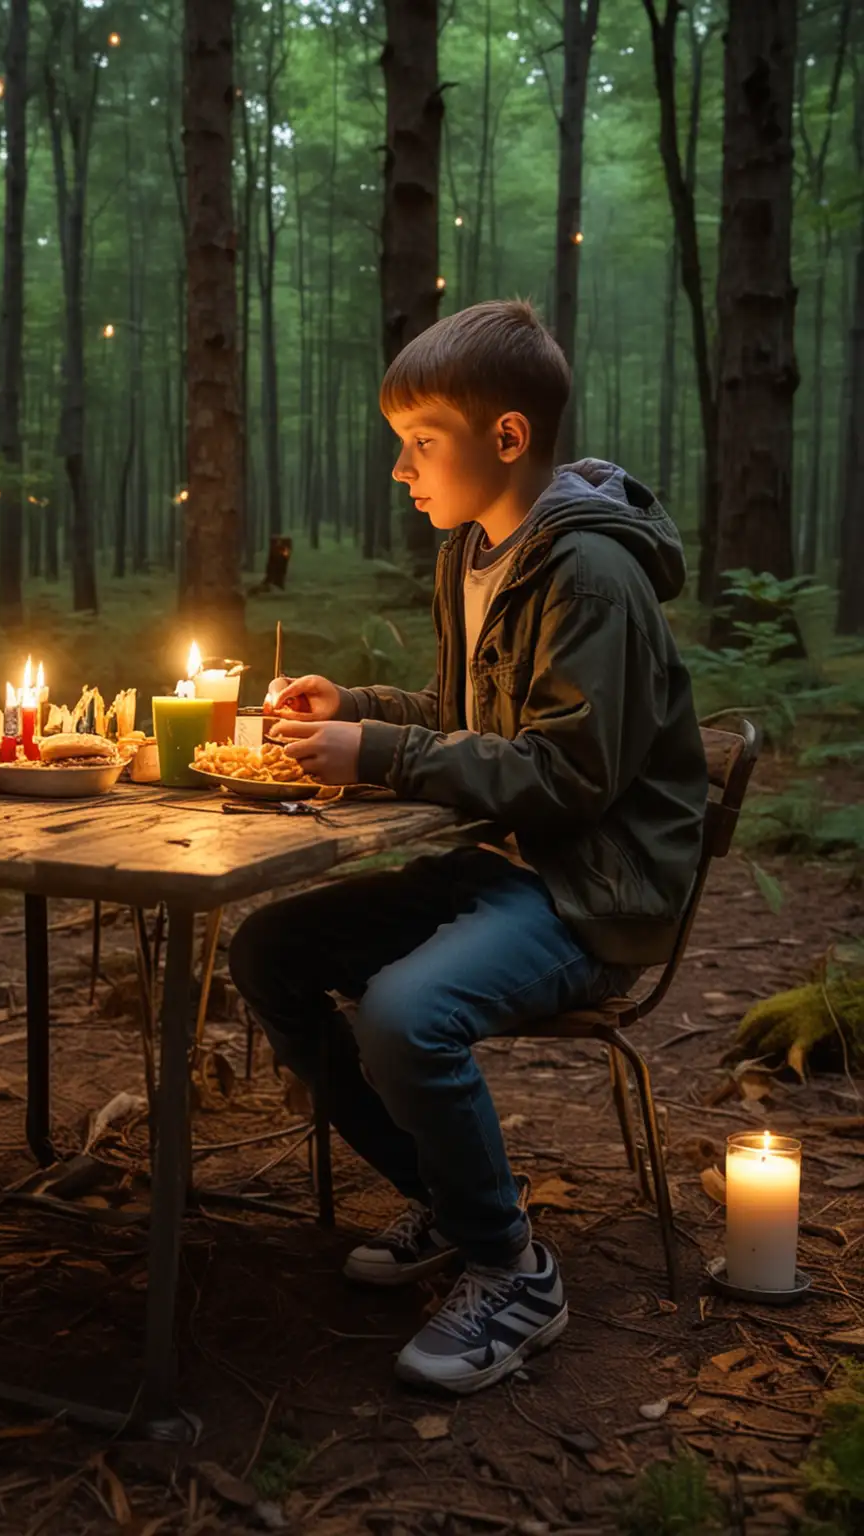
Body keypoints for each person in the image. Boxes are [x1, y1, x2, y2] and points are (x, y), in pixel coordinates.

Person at [229, 299, 707, 1394]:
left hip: (593, 889)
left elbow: (570, 777)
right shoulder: (474, 554)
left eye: (419, 443)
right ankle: (452, 1199)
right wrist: (352, 706)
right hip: (508, 864)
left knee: (406, 1013)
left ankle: (512, 1268)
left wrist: (379, 749)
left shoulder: (592, 575)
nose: (401, 470)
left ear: (505, 440)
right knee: (270, 953)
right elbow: (464, 713)